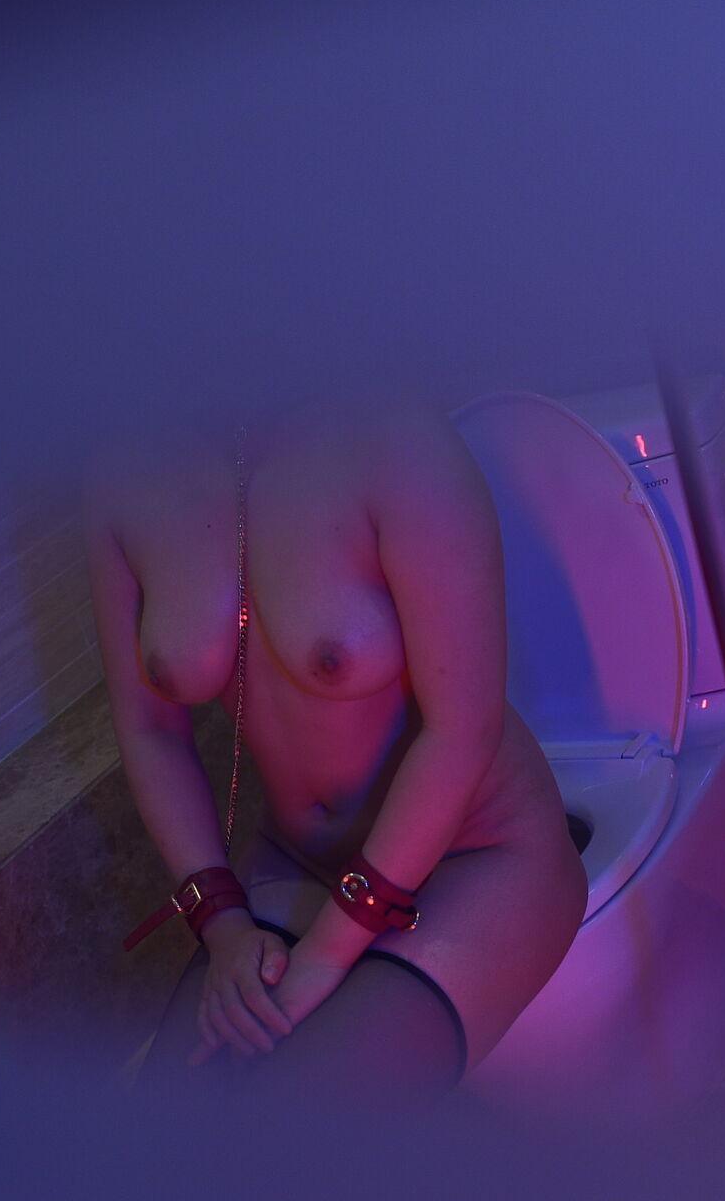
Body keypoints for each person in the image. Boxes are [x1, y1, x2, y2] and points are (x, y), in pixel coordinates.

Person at [87, 399, 586, 1100]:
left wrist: (325, 955)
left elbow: (462, 732)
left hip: (476, 854)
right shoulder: (122, 481)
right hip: (296, 862)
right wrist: (222, 921)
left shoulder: (396, 442)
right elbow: (150, 730)